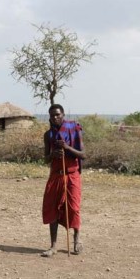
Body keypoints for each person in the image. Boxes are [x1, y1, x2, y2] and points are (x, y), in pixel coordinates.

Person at [41, 104, 86, 257]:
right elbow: (45, 159)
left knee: (73, 208)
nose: (55, 118)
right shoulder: (48, 135)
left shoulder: (74, 129)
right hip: (56, 175)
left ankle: (77, 239)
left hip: (72, 175)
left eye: (58, 115)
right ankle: (53, 246)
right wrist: (53, 154)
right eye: (52, 115)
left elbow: (83, 154)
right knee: (52, 208)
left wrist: (67, 148)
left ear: (63, 115)